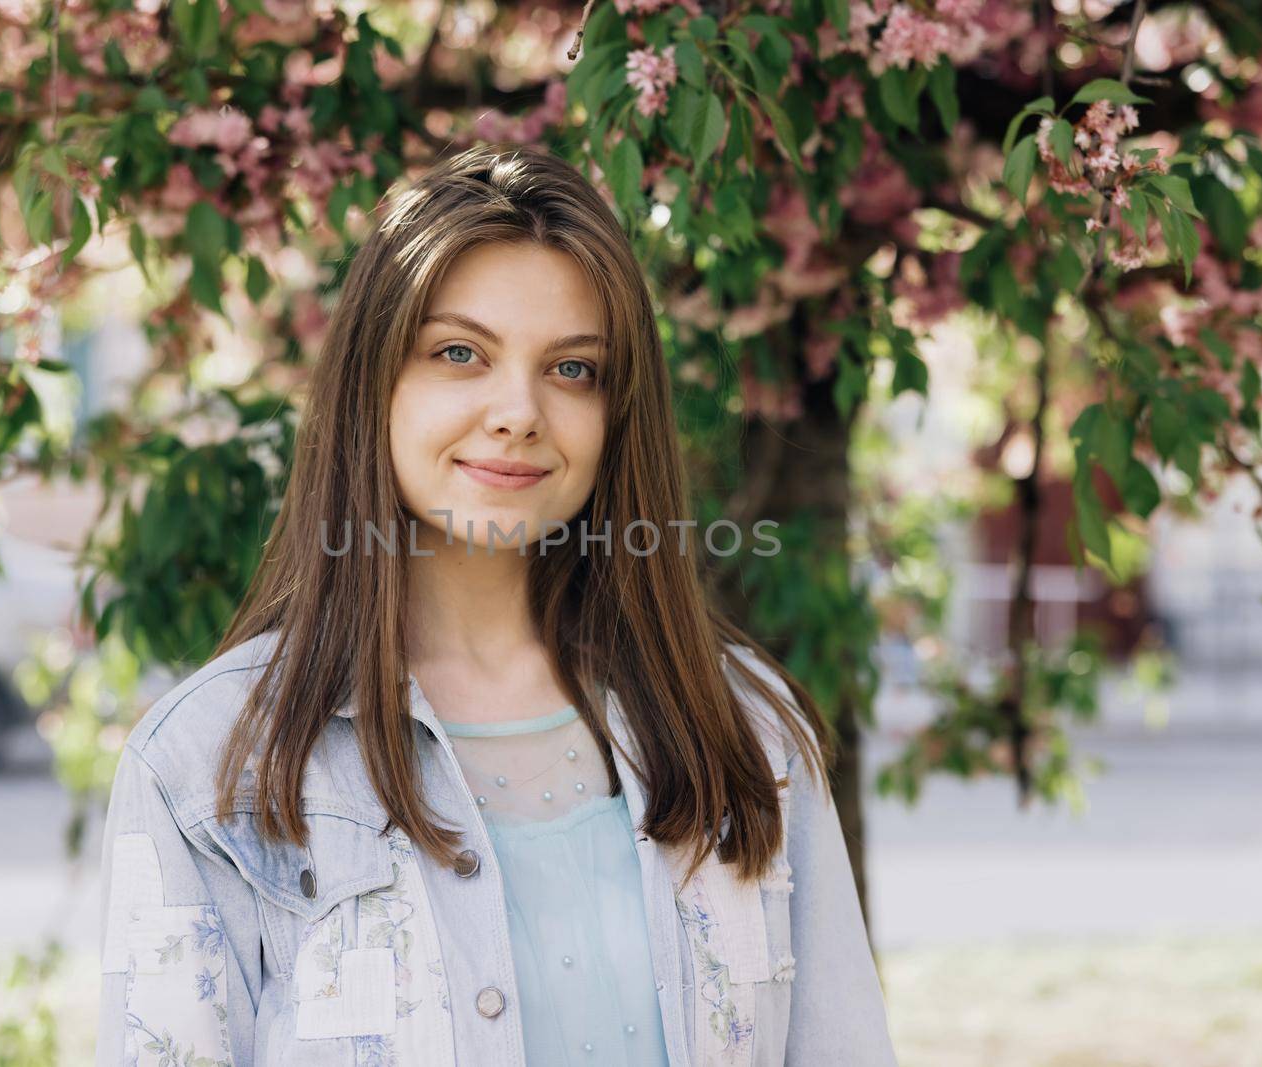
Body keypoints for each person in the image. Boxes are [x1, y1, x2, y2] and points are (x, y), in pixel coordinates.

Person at [94, 143, 899, 1067]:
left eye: (572, 370)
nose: (518, 410)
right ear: (374, 386)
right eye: (460, 353)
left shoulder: (744, 727)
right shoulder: (207, 766)